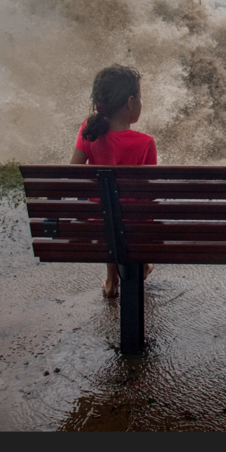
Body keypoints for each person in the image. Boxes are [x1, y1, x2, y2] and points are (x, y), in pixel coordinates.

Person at [70, 64, 158, 299]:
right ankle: (142, 266)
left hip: (99, 223)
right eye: (140, 98)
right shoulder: (145, 143)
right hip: (134, 226)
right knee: (130, 214)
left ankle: (111, 281)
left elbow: (73, 174)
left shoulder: (87, 131)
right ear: (130, 102)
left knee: (108, 212)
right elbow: (148, 196)